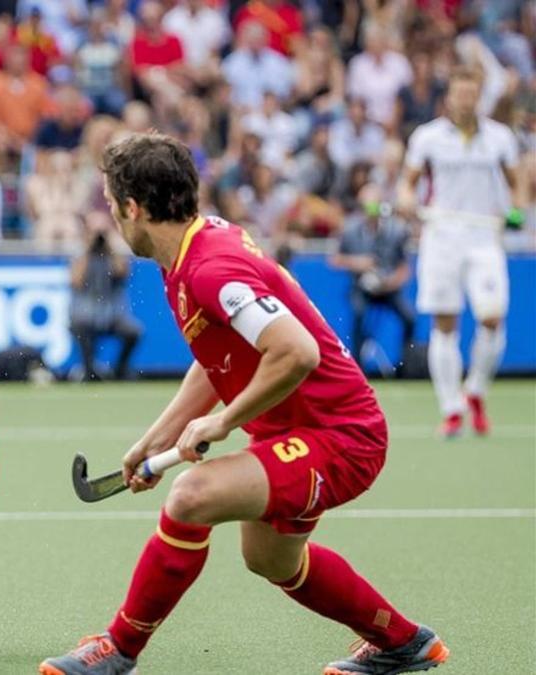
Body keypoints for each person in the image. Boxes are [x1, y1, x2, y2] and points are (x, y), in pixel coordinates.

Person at [40, 133, 447, 675]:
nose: (113, 219)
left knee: (191, 496)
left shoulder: (210, 268)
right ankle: (404, 642)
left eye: (114, 207)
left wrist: (224, 421)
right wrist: (157, 436)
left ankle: (119, 649)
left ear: (134, 208)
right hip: (294, 430)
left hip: (341, 437)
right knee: (272, 560)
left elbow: (295, 351)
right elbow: (218, 358)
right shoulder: (187, 253)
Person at [397, 66, 528, 438]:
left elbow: (517, 181)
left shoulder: (500, 138)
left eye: (472, 93)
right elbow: (408, 183)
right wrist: (407, 202)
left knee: (492, 316)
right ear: (449, 97)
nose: (465, 100)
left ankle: (475, 390)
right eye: (459, 93)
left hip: (485, 238)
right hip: (441, 238)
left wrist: (517, 208)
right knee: (445, 322)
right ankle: (451, 408)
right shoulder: (427, 138)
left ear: (479, 96)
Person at [329, 184, 416, 374]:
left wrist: (392, 282)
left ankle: (406, 366)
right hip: (361, 287)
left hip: (388, 288)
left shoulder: (396, 230)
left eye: (376, 207)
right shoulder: (350, 229)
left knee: (409, 317)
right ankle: (357, 368)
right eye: (367, 207)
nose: (372, 212)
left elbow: (404, 268)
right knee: (358, 313)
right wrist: (358, 263)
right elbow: (335, 260)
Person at [69, 212, 142, 381]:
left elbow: (122, 272)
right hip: (86, 314)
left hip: (112, 315)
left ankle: (120, 369)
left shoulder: (114, 252)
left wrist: (110, 243)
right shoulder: (79, 253)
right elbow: (76, 280)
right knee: (79, 326)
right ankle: (89, 371)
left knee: (133, 332)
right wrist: (88, 246)